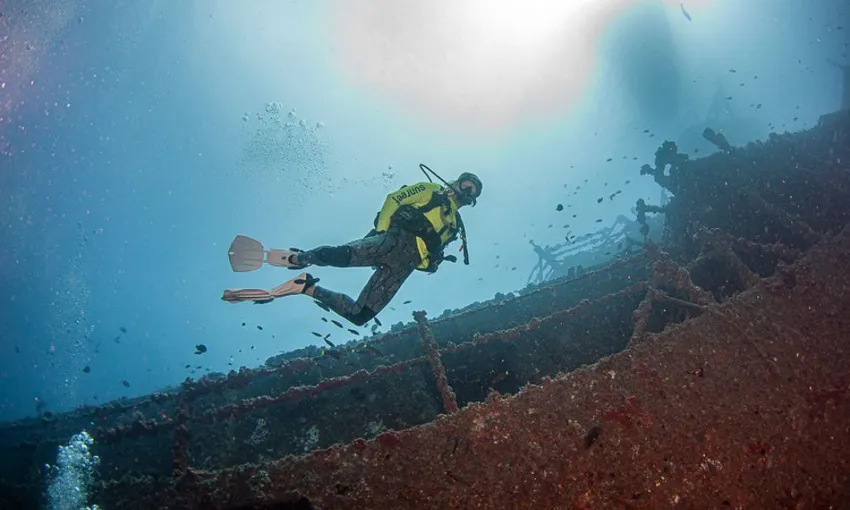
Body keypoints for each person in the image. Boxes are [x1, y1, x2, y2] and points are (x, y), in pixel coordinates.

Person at [221, 167, 482, 326]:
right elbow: (394, 199)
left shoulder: (455, 226)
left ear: (472, 201)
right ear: (456, 182)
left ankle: (308, 287)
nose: (467, 191)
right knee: (341, 255)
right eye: (466, 184)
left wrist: (430, 263)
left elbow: (430, 258)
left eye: (472, 192)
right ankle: (301, 258)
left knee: (360, 316)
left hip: (405, 266)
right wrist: (381, 232)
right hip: (394, 239)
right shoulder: (431, 189)